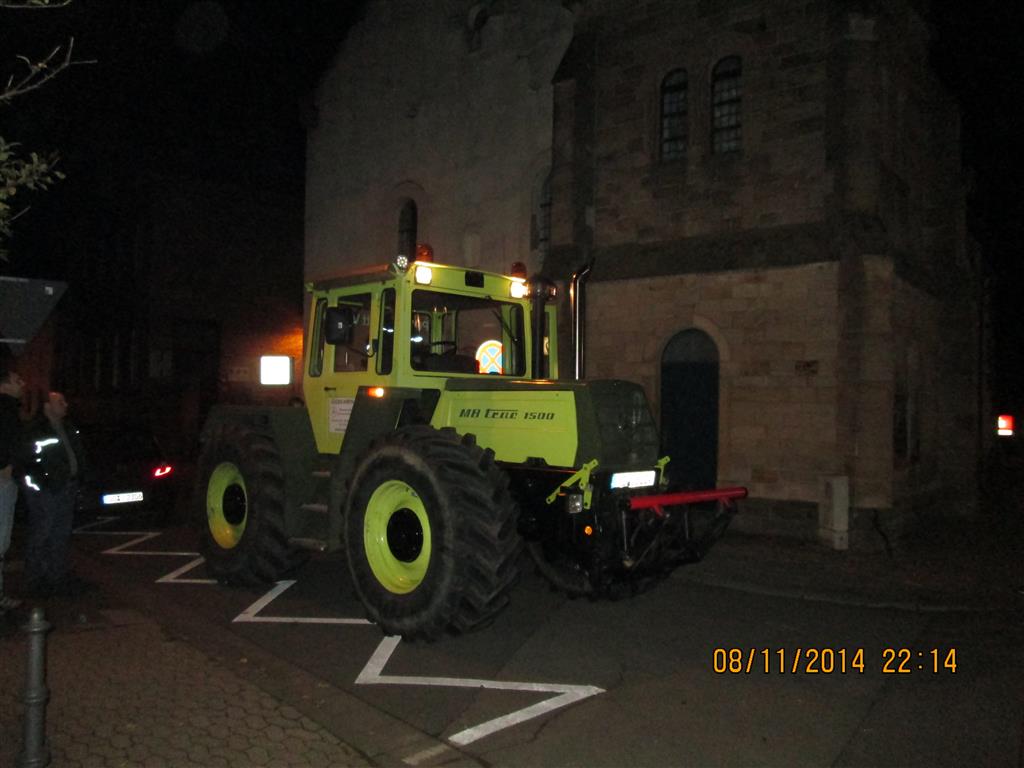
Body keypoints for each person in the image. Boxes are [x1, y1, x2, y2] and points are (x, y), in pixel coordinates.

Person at [21, 391, 88, 598]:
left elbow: (76, 453)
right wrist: (46, 481)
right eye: (60, 402)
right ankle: (36, 578)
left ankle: (56, 576)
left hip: (67, 486)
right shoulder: (37, 429)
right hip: (47, 490)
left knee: (61, 532)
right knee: (43, 531)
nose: (65, 405)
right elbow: (29, 461)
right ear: (47, 407)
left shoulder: (67, 427)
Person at [0, 356, 25, 614]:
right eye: (17, 380)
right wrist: (5, 467)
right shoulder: (6, 409)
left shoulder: (10, 409)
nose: (23, 384)